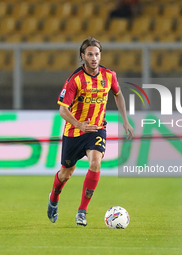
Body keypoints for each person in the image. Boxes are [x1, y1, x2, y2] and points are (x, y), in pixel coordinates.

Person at [47, 37, 134, 227]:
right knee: (65, 173)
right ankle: (54, 198)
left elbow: (118, 96)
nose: (94, 58)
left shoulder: (109, 76)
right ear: (82, 56)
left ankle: (82, 211)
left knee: (95, 164)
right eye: (90, 54)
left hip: (97, 128)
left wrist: (125, 121)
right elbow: (62, 110)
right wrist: (79, 125)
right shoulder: (74, 80)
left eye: (97, 54)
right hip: (75, 131)